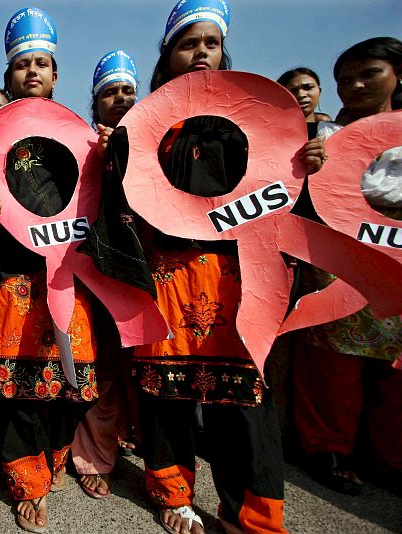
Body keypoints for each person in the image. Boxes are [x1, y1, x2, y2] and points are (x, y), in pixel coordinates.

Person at [89, 1, 325, 532]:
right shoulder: (147, 128)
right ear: (167, 55)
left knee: (243, 399)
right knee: (165, 391)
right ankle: (171, 492)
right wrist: (113, 153)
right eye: (187, 43)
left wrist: (306, 165)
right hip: (167, 278)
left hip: (235, 277)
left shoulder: (248, 125)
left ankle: (253, 513)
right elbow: (124, 205)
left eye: (210, 43)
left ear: (223, 53)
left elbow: (281, 199)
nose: (200, 52)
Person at [0, 8, 99, 533]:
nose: (32, 72)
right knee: (16, 388)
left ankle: (55, 460)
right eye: (22, 64)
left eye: (42, 63)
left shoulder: (78, 137)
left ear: (56, 74)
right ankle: (28, 483)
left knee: (67, 383)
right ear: (8, 75)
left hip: (65, 271)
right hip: (8, 275)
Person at [293, 36, 402, 496]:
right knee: (333, 364)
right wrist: (307, 167)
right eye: (344, 79)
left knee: (394, 371)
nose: (354, 85)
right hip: (340, 260)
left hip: (395, 262)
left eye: (368, 74)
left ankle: (389, 459)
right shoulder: (327, 137)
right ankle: (327, 449)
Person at [71, 50, 140, 501]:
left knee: (143, 369)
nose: (119, 99)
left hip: (148, 271)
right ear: (94, 103)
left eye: (127, 92)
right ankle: (93, 456)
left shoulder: (160, 145)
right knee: (102, 366)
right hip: (95, 268)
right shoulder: (83, 145)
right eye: (109, 93)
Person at [277, 68, 332, 137]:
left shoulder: (332, 131)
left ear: (319, 92)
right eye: (293, 91)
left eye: (308, 88)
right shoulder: (272, 134)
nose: (301, 95)